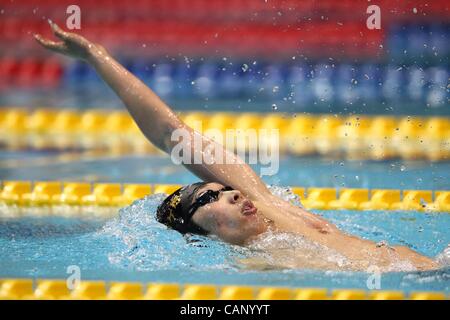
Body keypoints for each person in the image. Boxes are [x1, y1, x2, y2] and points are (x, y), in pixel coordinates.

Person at [35, 21, 438, 271]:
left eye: (225, 189)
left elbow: (171, 134)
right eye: (215, 198)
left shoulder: (272, 208)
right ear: (201, 236)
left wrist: (97, 55)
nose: (232, 193)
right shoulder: (254, 267)